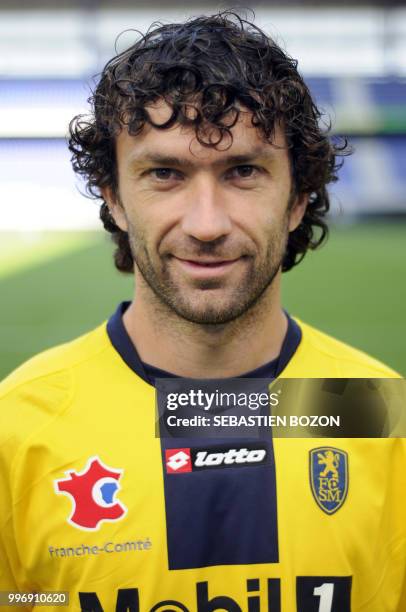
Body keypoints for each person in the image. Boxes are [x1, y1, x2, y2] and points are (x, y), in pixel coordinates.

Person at [0, 12, 405, 612]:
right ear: (113, 198)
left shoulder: (377, 409)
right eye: (165, 173)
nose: (207, 224)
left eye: (243, 171)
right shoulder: (18, 427)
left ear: (297, 198)